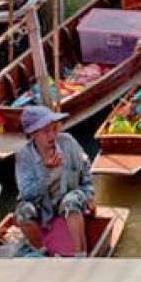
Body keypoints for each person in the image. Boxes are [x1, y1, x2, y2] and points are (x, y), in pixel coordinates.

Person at [14, 105, 95, 255]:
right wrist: (46, 171)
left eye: (53, 129)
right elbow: (27, 194)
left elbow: (85, 168)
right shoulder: (24, 156)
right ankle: (42, 252)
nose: (52, 136)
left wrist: (89, 194)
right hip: (44, 204)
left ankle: (80, 255)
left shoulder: (67, 141)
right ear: (33, 135)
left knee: (70, 203)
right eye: (45, 132)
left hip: (71, 195)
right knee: (22, 213)